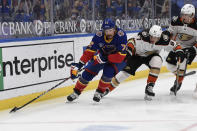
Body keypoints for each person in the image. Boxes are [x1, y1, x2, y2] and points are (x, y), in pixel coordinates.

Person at [103, 25, 185, 101]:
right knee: (124, 74)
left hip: (151, 56)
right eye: (152, 36)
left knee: (157, 61)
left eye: (156, 37)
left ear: (160, 36)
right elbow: (131, 41)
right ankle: (106, 89)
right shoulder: (143, 36)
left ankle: (149, 87)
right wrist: (129, 51)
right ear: (149, 34)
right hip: (136, 56)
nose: (153, 39)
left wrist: (179, 51)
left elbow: (175, 45)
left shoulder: (164, 40)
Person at [66, 18, 127, 102]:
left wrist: (106, 58)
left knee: (108, 73)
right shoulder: (99, 35)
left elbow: (122, 56)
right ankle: (76, 92)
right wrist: (80, 64)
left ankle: (99, 92)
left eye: (110, 30)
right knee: (88, 71)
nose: (108, 33)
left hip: (117, 59)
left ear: (114, 29)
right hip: (102, 56)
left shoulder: (121, 35)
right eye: (106, 31)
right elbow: (90, 51)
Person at [166, 4, 197, 95]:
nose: (183, 17)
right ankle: (179, 76)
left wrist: (194, 49)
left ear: (192, 15)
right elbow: (170, 32)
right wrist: (167, 36)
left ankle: (178, 82)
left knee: (182, 63)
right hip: (177, 46)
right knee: (169, 65)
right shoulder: (176, 21)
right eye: (182, 14)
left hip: (190, 48)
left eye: (185, 15)